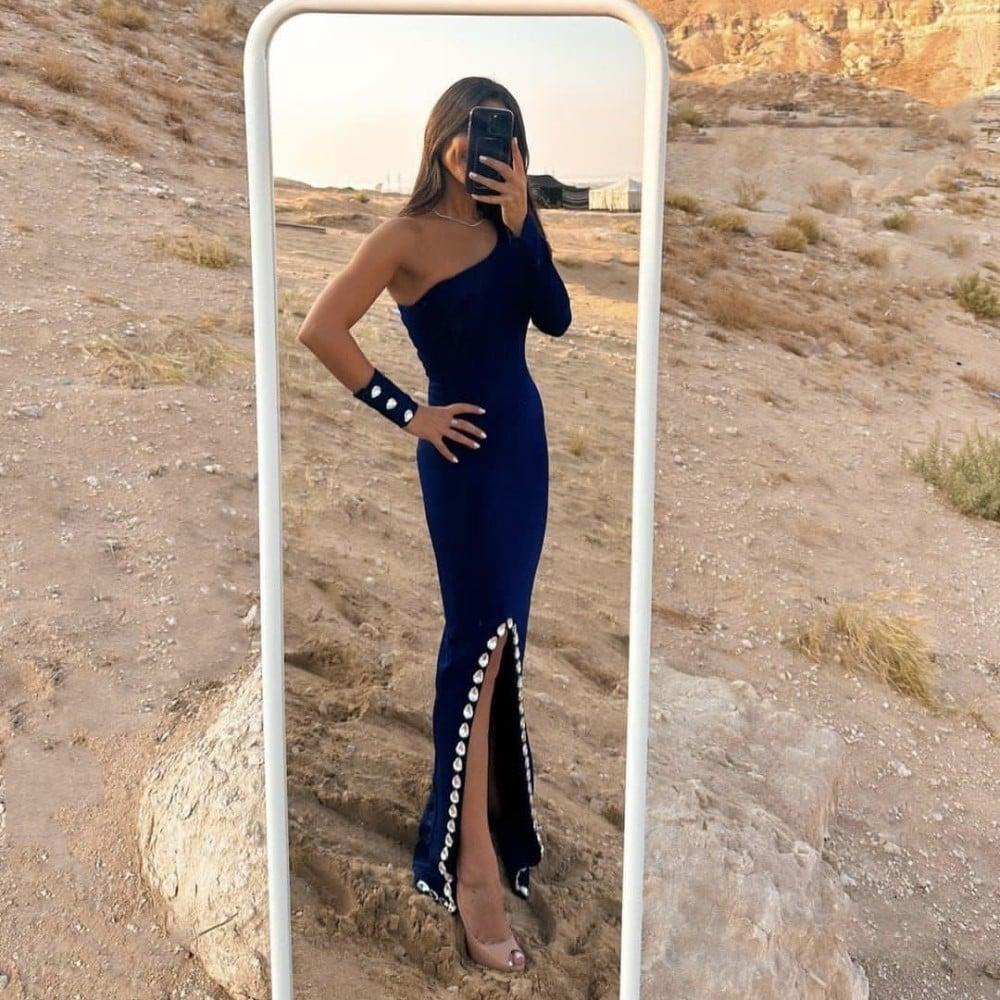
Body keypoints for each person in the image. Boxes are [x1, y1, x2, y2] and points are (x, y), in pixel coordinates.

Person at [296, 76, 571, 973]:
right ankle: (470, 863)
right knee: (476, 645)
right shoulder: (402, 237)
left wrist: (525, 222)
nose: (484, 145)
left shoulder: (509, 229)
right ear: (443, 134)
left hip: (523, 453)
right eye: (474, 129)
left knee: (505, 642)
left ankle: (486, 827)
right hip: (461, 460)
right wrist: (410, 413)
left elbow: (557, 319)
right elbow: (322, 328)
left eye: (504, 132)